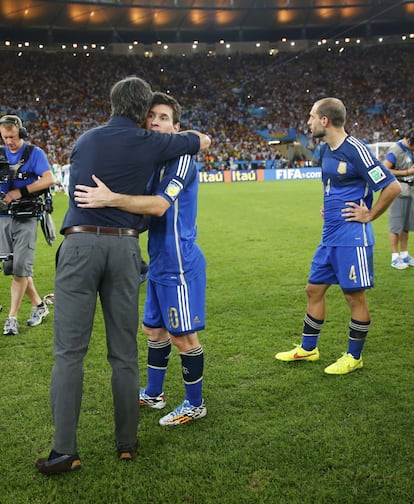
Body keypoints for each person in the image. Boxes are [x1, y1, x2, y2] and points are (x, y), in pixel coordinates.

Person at [35, 77, 211, 475]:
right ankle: (127, 443)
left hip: (80, 246)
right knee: (124, 353)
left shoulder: (86, 140)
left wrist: (107, 199)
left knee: (68, 355)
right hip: (126, 248)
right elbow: (200, 140)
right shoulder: (152, 144)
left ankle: (64, 451)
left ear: (112, 104)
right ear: (142, 112)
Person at [74, 92, 207, 426]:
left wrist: (110, 199)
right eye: (152, 116)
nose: (156, 122)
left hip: (179, 259)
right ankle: (154, 393)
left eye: (163, 117)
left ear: (177, 127)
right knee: (153, 329)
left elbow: (160, 206)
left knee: (183, 336)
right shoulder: (154, 161)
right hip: (159, 258)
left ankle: (195, 403)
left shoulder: (182, 159)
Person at [275, 97, 401, 375]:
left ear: (324, 120)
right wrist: (329, 205)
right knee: (313, 289)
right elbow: (337, 186)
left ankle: (354, 356)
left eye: (311, 116)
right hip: (329, 234)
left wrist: (369, 215)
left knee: (354, 298)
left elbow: (391, 187)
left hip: (351, 238)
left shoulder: (356, 149)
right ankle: (309, 349)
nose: (307, 122)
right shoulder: (325, 151)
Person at [0, 114, 54, 336]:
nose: (9, 142)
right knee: (13, 267)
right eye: (5, 138)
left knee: (21, 266)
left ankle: (11, 317)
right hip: (3, 216)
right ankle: (40, 305)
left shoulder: (35, 153)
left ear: (21, 133)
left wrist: (19, 192)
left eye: (12, 137)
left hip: (27, 215)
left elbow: (49, 179)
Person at [383, 129, 414, 269]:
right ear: (408, 140)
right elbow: (385, 169)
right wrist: (407, 172)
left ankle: (404, 254)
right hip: (398, 192)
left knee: (406, 226)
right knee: (396, 225)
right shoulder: (395, 151)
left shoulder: (409, 149)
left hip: (410, 191)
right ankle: (395, 257)